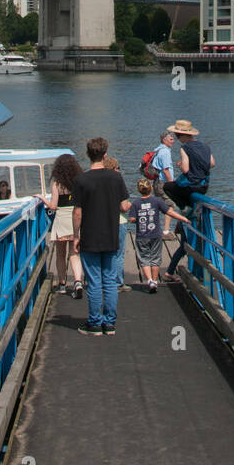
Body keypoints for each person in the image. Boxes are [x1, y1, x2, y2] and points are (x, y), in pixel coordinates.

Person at [72, 137, 130, 336]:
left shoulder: (81, 180)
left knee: (94, 281)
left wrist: (75, 235)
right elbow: (124, 206)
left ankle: (95, 323)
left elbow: (77, 212)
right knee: (110, 280)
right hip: (111, 235)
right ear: (105, 155)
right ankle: (110, 323)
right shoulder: (116, 178)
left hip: (90, 236)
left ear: (88, 155)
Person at [128, 179, 189, 291]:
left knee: (144, 258)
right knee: (155, 257)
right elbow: (169, 212)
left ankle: (150, 280)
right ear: (151, 188)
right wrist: (183, 218)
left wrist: (139, 219)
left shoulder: (135, 203)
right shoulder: (157, 201)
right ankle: (155, 281)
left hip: (142, 235)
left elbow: (131, 219)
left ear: (139, 190)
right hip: (155, 234)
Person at [44, 152, 84, 298]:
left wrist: (43, 199)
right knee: (74, 253)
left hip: (61, 220)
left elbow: (53, 206)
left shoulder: (57, 184)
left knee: (60, 255)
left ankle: (62, 284)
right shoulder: (79, 182)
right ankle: (78, 281)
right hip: (75, 219)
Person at [162, 119, 214, 216]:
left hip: (191, 186)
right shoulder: (205, 146)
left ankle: (184, 207)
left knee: (167, 187)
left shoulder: (185, 147)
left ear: (183, 135)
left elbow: (185, 170)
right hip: (204, 186)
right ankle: (192, 212)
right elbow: (212, 163)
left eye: (177, 135)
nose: (177, 138)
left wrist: (181, 165)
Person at [103, 157, 130, 293]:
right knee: (118, 254)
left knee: (105, 253)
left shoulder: (99, 182)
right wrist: (131, 205)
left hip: (103, 222)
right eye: (117, 168)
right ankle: (118, 282)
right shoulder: (118, 182)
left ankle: (105, 280)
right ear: (114, 169)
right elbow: (124, 207)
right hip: (119, 221)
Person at [151, 130, 175, 236]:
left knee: (158, 205)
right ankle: (165, 231)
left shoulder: (158, 150)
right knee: (170, 205)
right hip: (163, 183)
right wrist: (172, 184)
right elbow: (165, 170)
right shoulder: (165, 152)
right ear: (164, 140)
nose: (173, 141)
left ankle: (155, 228)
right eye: (171, 139)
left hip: (156, 182)